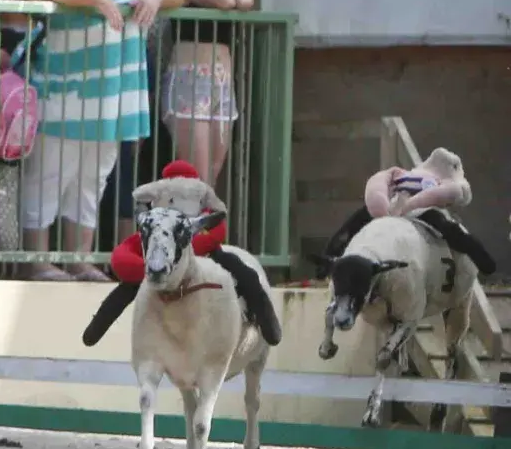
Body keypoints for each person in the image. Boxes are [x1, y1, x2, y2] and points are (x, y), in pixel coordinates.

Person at [21, 0, 182, 282]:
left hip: (115, 96)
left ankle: (80, 259)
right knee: (50, 175)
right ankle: (38, 261)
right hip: (69, 95)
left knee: (93, 180)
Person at [85, 159, 282, 346]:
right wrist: (147, 268)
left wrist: (182, 248)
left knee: (245, 273)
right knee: (126, 289)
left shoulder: (202, 220)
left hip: (205, 260)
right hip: (160, 262)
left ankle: (266, 323)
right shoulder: (156, 229)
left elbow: (216, 233)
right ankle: (95, 330)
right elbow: (124, 254)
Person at [163, 0, 251, 185]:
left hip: (221, 81)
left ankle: (203, 231)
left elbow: (245, 1)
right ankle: (187, 230)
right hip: (191, 80)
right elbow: (225, 1)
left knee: (212, 173)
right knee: (195, 176)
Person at [322, 148, 498, 277]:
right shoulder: (436, 179)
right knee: (449, 230)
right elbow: (456, 194)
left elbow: (445, 194)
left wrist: (395, 202)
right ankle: (483, 260)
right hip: (403, 206)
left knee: (355, 222)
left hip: (405, 206)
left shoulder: (411, 174)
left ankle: (328, 259)